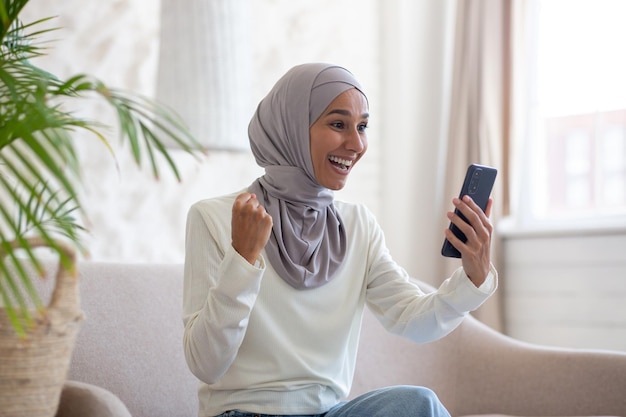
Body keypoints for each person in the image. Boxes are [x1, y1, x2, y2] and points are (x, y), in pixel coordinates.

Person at [182, 63, 498, 417]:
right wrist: (241, 259)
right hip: (243, 413)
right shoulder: (215, 218)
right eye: (338, 124)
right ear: (292, 129)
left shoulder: (357, 225)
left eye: (362, 126)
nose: (356, 144)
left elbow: (413, 318)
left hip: (330, 413)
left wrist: (474, 277)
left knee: (418, 404)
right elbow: (205, 363)